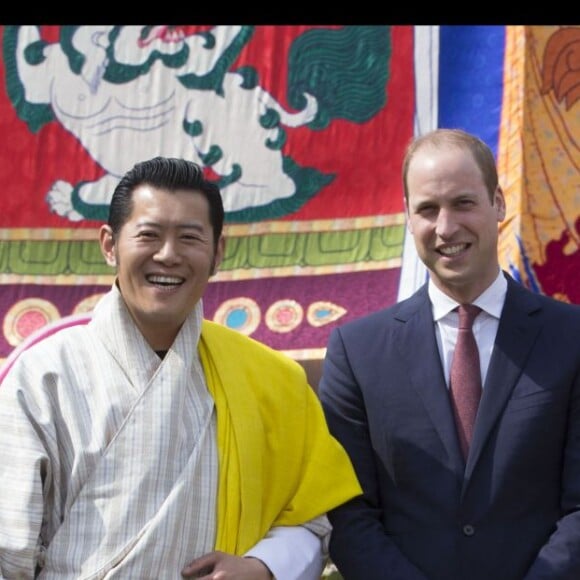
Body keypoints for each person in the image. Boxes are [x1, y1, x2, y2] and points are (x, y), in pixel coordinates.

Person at [0, 156, 362, 579]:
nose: (168, 255)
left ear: (217, 252)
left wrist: (263, 567)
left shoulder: (270, 379)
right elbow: (9, 547)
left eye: (189, 237)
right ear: (109, 245)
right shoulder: (44, 375)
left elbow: (313, 518)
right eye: (149, 235)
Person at [318, 128, 580, 579]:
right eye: (427, 209)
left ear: (498, 203)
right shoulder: (357, 354)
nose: (445, 227)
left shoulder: (571, 337)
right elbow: (348, 514)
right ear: (407, 216)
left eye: (463, 203)